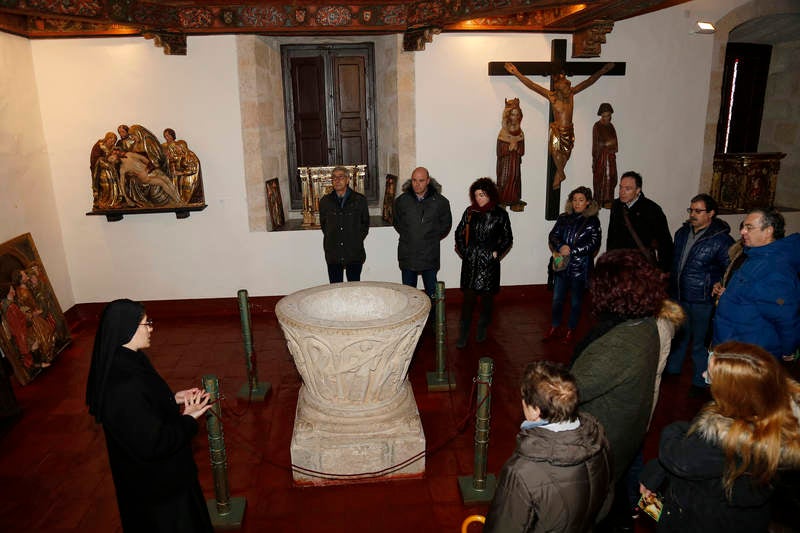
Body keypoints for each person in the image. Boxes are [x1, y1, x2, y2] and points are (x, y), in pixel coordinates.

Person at [640, 341, 800, 532]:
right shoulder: (771, 413)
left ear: (734, 394)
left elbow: (680, 458)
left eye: (710, 376)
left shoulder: (722, 442)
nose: (702, 375)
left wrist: (674, 429)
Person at [85, 299, 214, 533]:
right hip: (159, 492)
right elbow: (154, 443)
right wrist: (190, 418)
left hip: (159, 482)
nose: (151, 328)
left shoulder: (129, 358)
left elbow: (143, 405)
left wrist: (173, 398)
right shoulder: (123, 385)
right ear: (128, 329)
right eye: (146, 323)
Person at [569, 249, 667, 531]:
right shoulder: (646, 322)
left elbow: (572, 389)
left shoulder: (619, 341)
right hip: (626, 436)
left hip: (602, 440)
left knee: (589, 509)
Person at [484, 361, 611, 532]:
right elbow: (606, 501)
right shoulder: (599, 440)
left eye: (523, 398)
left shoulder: (521, 472)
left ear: (536, 410)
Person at [504, 61, 614, 189]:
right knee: (555, 152)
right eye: (565, 89)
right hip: (557, 130)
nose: (568, 90)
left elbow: (588, 82)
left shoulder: (571, 94)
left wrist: (602, 71)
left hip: (569, 130)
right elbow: (532, 85)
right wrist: (516, 73)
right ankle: (560, 173)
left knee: (566, 154)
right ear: (559, 89)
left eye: (568, 88)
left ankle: (559, 173)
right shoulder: (552, 96)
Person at [665, 194, 733, 393]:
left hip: (702, 299)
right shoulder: (682, 233)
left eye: (698, 211)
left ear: (711, 213)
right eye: (691, 210)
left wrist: (718, 283)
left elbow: (729, 268)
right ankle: (673, 369)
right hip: (679, 294)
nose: (693, 214)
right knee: (678, 336)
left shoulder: (721, 240)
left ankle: (699, 380)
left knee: (699, 343)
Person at [712, 208, 800, 360]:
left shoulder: (776, 268)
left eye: (749, 228)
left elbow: (785, 316)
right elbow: (753, 293)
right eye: (743, 227)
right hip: (733, 344)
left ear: (768, 231)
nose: (743, 232)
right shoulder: (756, 255)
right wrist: (729, 294)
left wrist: (788, 349)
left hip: (751, 352)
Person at [453, 178, 513, 347]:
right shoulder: (470, 212)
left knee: (487, 300)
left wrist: (497, 253)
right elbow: (459, 232)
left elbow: (508, 238)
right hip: (471, 262)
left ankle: (482, 328)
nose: (479, 198)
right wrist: (465, 252)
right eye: (476, 195)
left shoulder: (500, 214)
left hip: (489, 264)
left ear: (490, 195)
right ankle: (463, 334)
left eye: (483, 195)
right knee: (468, 301)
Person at [544, 186, 601, 343]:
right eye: (574, 200)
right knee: (557, 299)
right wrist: (560, 246)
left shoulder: (592, 221)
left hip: (579, 268)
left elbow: (594, 243)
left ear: (588, 202)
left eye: (581, 200)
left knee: (576, 301)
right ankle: (554, 327)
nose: (577, 203)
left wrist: (573, 250)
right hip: (561, 263)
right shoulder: (563, 218)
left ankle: (571, 330)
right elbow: (553, 235)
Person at [393, 166, 452, 304]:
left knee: (432, 292)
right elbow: (397, 222)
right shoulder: (401, 201)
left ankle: (433, 320)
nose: (417, 184)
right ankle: (410, 320)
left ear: (428, 181)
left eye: (421, 180)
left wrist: (429, 237)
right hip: (408, 253)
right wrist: (411, 235)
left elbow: (446, 225)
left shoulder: (440, 202)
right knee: (409, 293)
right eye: (414, 180)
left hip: (429, 254)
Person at [606, 171, 673, 272]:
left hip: (641, 267)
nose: (622, 192)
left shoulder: (652, 209)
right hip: (619, 265)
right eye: (620, 187)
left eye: (627, 189)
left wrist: (663, 272)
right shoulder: (616, 206)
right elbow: (611, 237)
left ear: (638, 190)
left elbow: (665, 243)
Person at [318, 166, 370, 283]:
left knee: (354, 289)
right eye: (334, 177)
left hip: (354, 253)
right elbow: (324, 226)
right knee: (336, 289)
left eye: (341, 177)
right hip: (333, 254)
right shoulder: (325, 201)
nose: (337, 180)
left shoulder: (359, 200)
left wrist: (355, 239)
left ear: (347, 180)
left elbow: (364, 225)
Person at [496, 98, 526, 210]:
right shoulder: (503, 133)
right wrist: (508, 148)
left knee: (515, 179)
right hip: (505, 163)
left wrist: (517, 147)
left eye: (517, 115)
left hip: (515, 163)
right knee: (504, 180)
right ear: (508, 116)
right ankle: (502, 199)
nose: (515, 117)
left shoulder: (520, 133)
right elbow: (499, 151)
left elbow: (522, 151)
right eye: (513, 114)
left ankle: (514, 199)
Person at [592, 103, 618, 209]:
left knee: (611, 177)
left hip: (610, 157)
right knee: (600, 178)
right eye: (604, 116)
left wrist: (609, 144)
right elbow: (597, 143)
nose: (607, 118)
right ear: (601, 116)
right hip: (601, 157)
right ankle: (598, 200)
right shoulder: (597, 126)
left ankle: (608, 199)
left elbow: (615, 143)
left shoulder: (611, 126)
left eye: (608, 115)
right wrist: (606, 144)